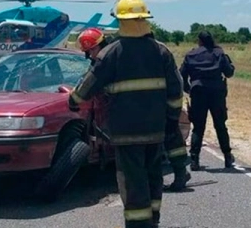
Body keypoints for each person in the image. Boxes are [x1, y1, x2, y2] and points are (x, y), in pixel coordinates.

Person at [69, 0, 183, 228]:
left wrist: (73, 100)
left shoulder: (111, 53)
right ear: (145, 20)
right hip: (156, 129)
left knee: (132, 179)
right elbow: (176, 91)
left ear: (119, 21)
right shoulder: (161, 51)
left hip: (126, 130)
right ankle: (151, 222)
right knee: (153, 175)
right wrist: (171, 121)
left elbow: (88, 85)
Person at [77, 27, 191, 193]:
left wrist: (172, 112)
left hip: (149, 106)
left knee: (169, 137)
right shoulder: (110, 55)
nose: (89, 56)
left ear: (96, 46)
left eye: (89, 52)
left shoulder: (117, 54)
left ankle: (178, 173)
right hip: (138, 108)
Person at [180, 31, 235, 171]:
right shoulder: (218, 53)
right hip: (217, 93)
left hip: (198, 93)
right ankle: (228, 157)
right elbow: (229, 73)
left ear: (199, 41)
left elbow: (181, 75)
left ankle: (194, 160)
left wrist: (188, 89)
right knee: (220, 125)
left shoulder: (191, 55)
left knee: (198, 128)